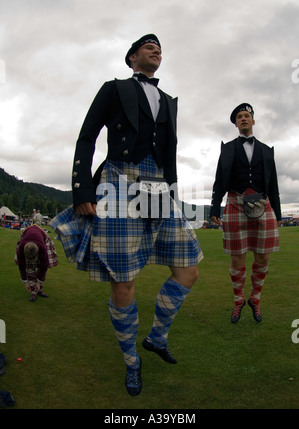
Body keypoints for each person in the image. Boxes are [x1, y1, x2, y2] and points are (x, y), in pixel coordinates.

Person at [50, 34, 203, 396]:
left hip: (159, 185)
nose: (156, 50)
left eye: (160, 47)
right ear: (133, 57)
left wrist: (174, 192)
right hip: (118, 179)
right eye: (148, 46)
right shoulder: (114, 88)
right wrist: (82, 189)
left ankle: (156, 337)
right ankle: (131, 360)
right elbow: (86, 137)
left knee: (188, 269)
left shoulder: (168, 101)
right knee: (124, 280)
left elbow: (171, 151)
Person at [210, 103, 281, 323]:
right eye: (239, 116)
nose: (243, 119)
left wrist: (277, 213)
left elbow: (274, 184)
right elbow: (220, 180)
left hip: (263, 203)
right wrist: (214, 206)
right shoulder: (228, 149)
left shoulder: (267, 150)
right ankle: (238, 300)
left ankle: (255, 299)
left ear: (253, 120)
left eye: (247, 115)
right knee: (237, 260)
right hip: (234, 203)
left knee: (262, 257)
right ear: (236, 123)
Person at [15, 224, 58, 302]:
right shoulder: (21, 247)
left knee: (44, 266)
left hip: (42, 237)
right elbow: (21, 265)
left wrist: (38, 282)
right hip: (26, 235)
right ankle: (33, 292)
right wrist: (25, 282)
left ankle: (39, 289)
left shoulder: (42, 247)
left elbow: (43, 266)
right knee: (30, 268)